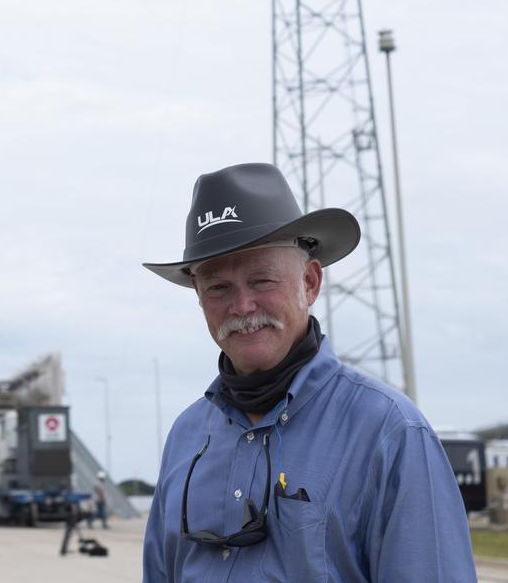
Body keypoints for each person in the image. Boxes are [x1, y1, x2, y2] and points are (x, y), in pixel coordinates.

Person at [141, 162, 476, 581]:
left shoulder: (389, 432)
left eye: (262, 281)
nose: (242, 307)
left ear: (311, 282)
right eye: (218, 288)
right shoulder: (186, 437)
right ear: (199, 296)